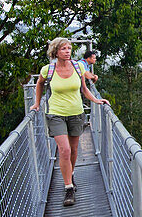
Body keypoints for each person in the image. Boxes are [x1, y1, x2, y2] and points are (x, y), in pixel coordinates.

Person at [30, 37, 109, 206]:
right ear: (56, 52)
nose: (67, 51)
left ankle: (70, 173)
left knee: (73, 150)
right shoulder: (48, 70)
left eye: (69, 48)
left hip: (76, 113)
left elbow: (84, 88)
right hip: (56, 114)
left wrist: (96, 101)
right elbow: (39, 84)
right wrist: (36, 103)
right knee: (64, 150)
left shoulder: (78, 66)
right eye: (63, 49)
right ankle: (68, 188)